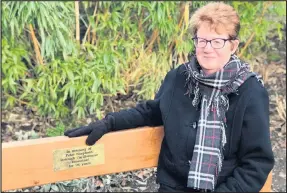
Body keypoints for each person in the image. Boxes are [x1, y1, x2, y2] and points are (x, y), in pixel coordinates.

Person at [64, 2, 274, 192]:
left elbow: (257, 162)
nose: (207, 48)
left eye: (217, 41)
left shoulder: (250, 91)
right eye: (202, 40)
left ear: (233, 45)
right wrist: (109, 122)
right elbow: (152, 111)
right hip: (173, 186)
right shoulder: (179, 77)